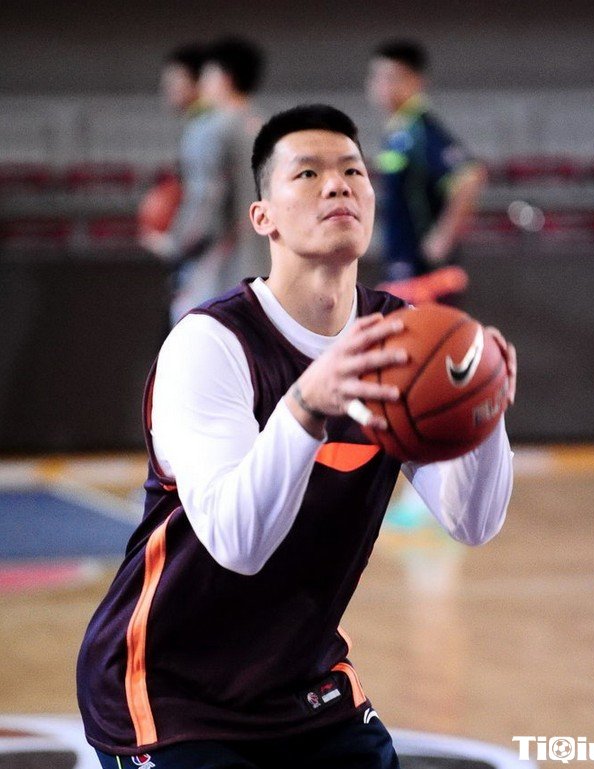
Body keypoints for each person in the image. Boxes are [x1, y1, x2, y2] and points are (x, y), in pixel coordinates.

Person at [77, 104, 516, 769]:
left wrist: (484, 413)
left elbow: (473, 522)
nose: (337, 184)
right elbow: (239, 545)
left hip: (303, 681)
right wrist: (309, 404)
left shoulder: (404, 341)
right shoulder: (211, 344)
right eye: (307, 173)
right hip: (169, 691)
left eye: (352, 171)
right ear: (264, 217)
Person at [142, 37, 267, 324]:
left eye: (207, 75)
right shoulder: (268, 127)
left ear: (224, 77)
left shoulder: (209, 130)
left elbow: (205, 204)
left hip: (218, 278)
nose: (203, 84)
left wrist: (173, 244)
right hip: (265, 276)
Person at [366, 39, 488, 283]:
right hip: (400, 261)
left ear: (415, 81)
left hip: (423, 272)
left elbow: (470, 175)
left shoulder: (420, 130)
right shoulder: (398, 131)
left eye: (390, 78)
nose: (380, 86)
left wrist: (442, 238)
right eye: (376, 77)